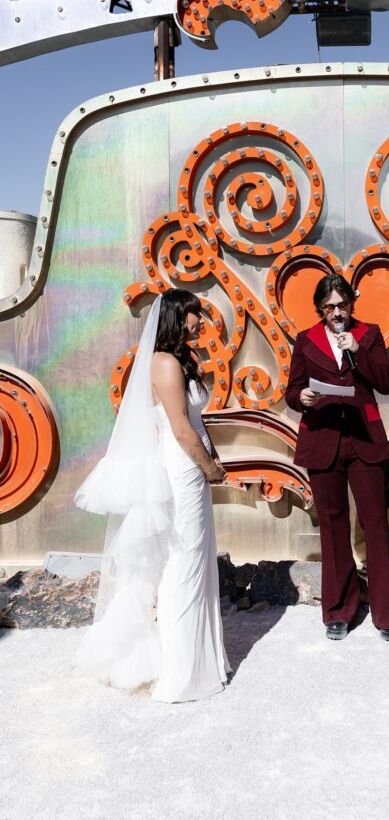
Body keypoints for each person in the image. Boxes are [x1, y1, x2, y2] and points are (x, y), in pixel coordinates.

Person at [75, 288, 230, 702]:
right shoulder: (164, 363)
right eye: (194, 314)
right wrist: (209, 467)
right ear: (176, 317)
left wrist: (214, 457)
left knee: (194, 561)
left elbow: (195, 422)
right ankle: (182, 676)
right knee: (183, 567)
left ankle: (198, 662)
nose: (200, 321)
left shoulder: (182, 361)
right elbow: (180, 429)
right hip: (181, 469)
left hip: (191, 466)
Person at [285, 275, 389, 642]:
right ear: (320, 309)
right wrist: (301, 398)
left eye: (343, 305)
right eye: (330, 307)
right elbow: (291, 389)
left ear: (352, 304)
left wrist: (357, 350)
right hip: (322, 440)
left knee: (375, 524)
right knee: (333, 527)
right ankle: (338, 611)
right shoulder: (306, 340)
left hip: (363, 441)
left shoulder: (369, 334)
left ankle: (388, 615)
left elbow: (385, 382)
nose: (337, 313)